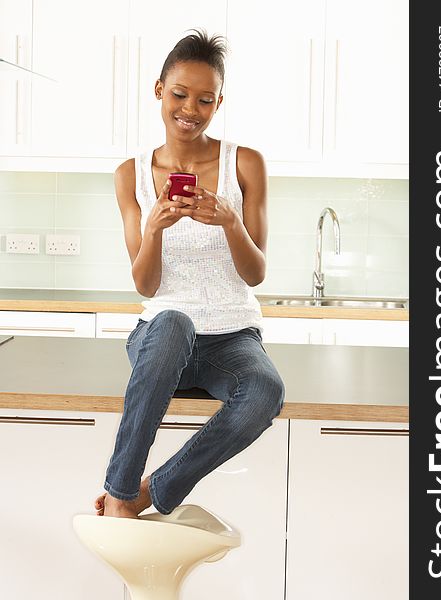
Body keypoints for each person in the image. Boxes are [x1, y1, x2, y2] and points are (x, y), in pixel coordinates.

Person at [94, 29, 285, 519]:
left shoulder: (244, 164)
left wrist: (229, 221)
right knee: (174, 319)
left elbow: (255, 273)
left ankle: (148, 492)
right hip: (161, 336)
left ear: (219, 102)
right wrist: (154, 228)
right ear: (160, 91)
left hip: (231, 338)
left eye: (205, 100)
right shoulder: (129, 174)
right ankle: (118, 491)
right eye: (180, 94)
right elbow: (146, 285)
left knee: (266, 391)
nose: (190, 109)